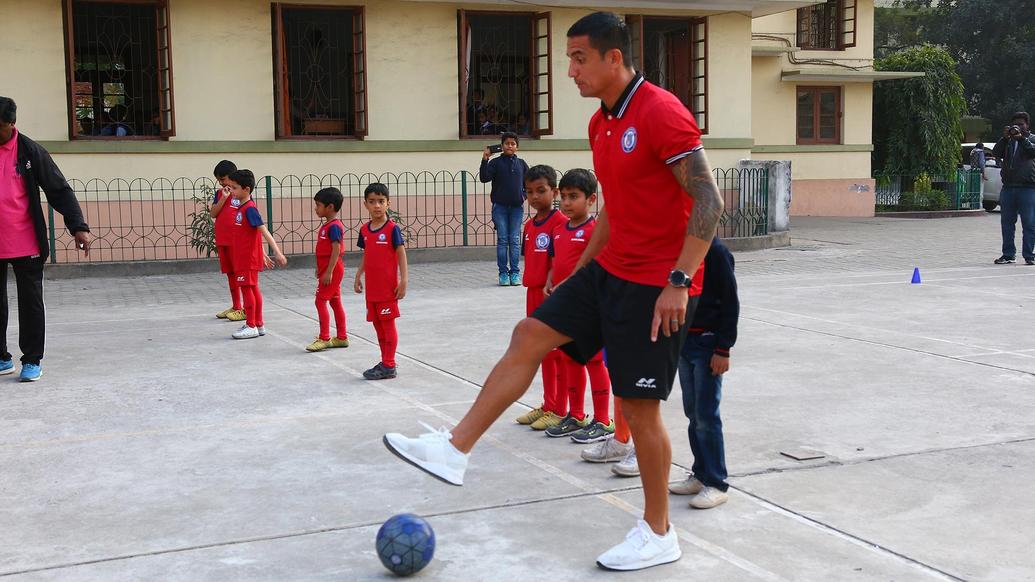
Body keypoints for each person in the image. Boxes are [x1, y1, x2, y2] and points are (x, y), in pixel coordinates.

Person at [383, 12, 723, 571]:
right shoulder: (601, 124)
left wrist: (679, 282)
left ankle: (659, 531)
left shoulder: (661, 112)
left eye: (579, 58)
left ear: (615, 57)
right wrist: (580, 271)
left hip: (656, 284)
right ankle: (454, 449)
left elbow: (709, 202)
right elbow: (615, 205)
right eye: (568, 58)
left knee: (639, 413)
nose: (569, 70)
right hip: (609, 270)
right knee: (529, 331)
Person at [0, 96, 92, 382]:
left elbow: (58, 190)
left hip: (25, 241)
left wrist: (78, 226)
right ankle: (2, 357)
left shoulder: (30, 151)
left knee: (30, 302)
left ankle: (31, 359)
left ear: (11, 124)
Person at [542, 168, 613, 443]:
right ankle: (576, 414)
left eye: (574, 196)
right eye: (564, 197)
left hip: (589, 308)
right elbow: (554, 261)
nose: (567, 203)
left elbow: (598, 267)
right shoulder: (559, 229)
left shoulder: (595, 231)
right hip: (565, 308)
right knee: (570, 360)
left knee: (595, 362)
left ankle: (603, 420)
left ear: (592, 200)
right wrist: (550, 279)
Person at [668, 236, 739, 510]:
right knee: (693, 412)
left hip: (708, 345)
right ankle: (700, 474)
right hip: (685, 341)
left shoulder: (717, 252)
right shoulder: (681, 252)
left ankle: (717, 482)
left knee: (707, 415)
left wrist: (723, 349)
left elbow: (731, 303)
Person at [513, 165, 568, 430]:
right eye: (529, 192)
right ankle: (548, 403)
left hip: (552, 296)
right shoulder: (529, 225)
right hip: (532, 293)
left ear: (555, 192)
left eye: (541, 191)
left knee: (557, 353)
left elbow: (561, 261)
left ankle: (560, 408)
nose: (534, 197)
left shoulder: (560, 223)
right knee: (541, 351)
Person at [354, 183, 408, 380]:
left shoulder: (392, 229)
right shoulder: (365, 230)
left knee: (387, 325)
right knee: (377, 324)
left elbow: (401, 254)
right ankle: (385, 360)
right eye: (372, 202)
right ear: (365, 204)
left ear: (388, 203)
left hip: (387, 289)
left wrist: (403, 280)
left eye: (381, 201)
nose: (377, 206)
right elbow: (367, 254)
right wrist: (359, 274)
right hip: (372, 289)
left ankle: (389, 364)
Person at [226, 169, 287, 339]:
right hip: (245, 257)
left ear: (246, 189)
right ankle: (258, 324)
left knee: (247, 290)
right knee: (252, 289)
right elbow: (252, 235)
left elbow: (264, 231)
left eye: (234, 188)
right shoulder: (242, 207)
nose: (231, 191)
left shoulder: (249, 209)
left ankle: (251, 324)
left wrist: (277, 252)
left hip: (246, 259)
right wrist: (262, 254)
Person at [480, 131, 529, 286]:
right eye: (507, 143)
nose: (510, 146)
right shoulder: (495, 163)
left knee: (514, 240)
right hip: (499, 207)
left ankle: (515, 273)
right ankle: (503, 273)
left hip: (516, 208)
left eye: (513, 144)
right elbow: (484, 178)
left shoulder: (521, 164)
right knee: (502, 240)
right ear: (501, 146)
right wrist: (485, 159)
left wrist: (524, 196)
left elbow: (529, 182)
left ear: (517, 147)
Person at [307, 187, 350, 353]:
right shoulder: (328, 225)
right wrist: (321, 268)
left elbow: (336, 250)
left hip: (333, 269)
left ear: (330, 207)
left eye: (318, 205)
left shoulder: (334, 227)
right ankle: (341, 337)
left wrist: (329, 271)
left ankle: (324, 337)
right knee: (335, 301)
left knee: (320, 301)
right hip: (328, 268)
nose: (316, 208)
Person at [992, 112, 1035, 265]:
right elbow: (995, 152)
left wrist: (1021, 139)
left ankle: (1029, 255)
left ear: (1027, 125)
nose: (1018, 127)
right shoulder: (1008, 141)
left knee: (1029, 223)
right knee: (1007, 223)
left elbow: (1032, 152)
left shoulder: (1031, 139)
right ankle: (1009, 254)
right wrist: (1004, 138)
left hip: (1028, 188)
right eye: (1015, 124)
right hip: (1009, 187)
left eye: (1022, 124)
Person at [210, 160, 246, 322]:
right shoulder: (219, 194)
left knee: (240, 274)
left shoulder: (240, 194)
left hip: (236, 241)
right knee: (230, 273)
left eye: (223, 179)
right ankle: (236, 306)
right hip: (223, 240)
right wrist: (223, 198)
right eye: (218, 180)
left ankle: (246, 309)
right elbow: (213, 213)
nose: (221, 182)